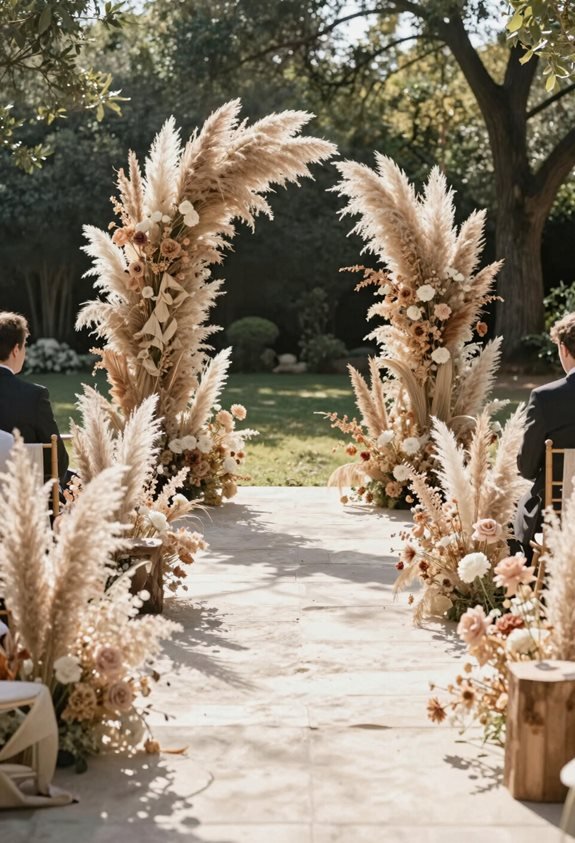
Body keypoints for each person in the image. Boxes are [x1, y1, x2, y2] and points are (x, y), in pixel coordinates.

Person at [514, 312, 575, 557]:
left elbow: (526, 468)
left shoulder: (545, 398)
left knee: (513, 516)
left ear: (563, 349)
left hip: (556, 515)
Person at [0, 311, 69, 483]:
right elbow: (58, 464)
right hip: (24, 501)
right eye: (24, 346)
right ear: (16, 350)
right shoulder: (34, 396)